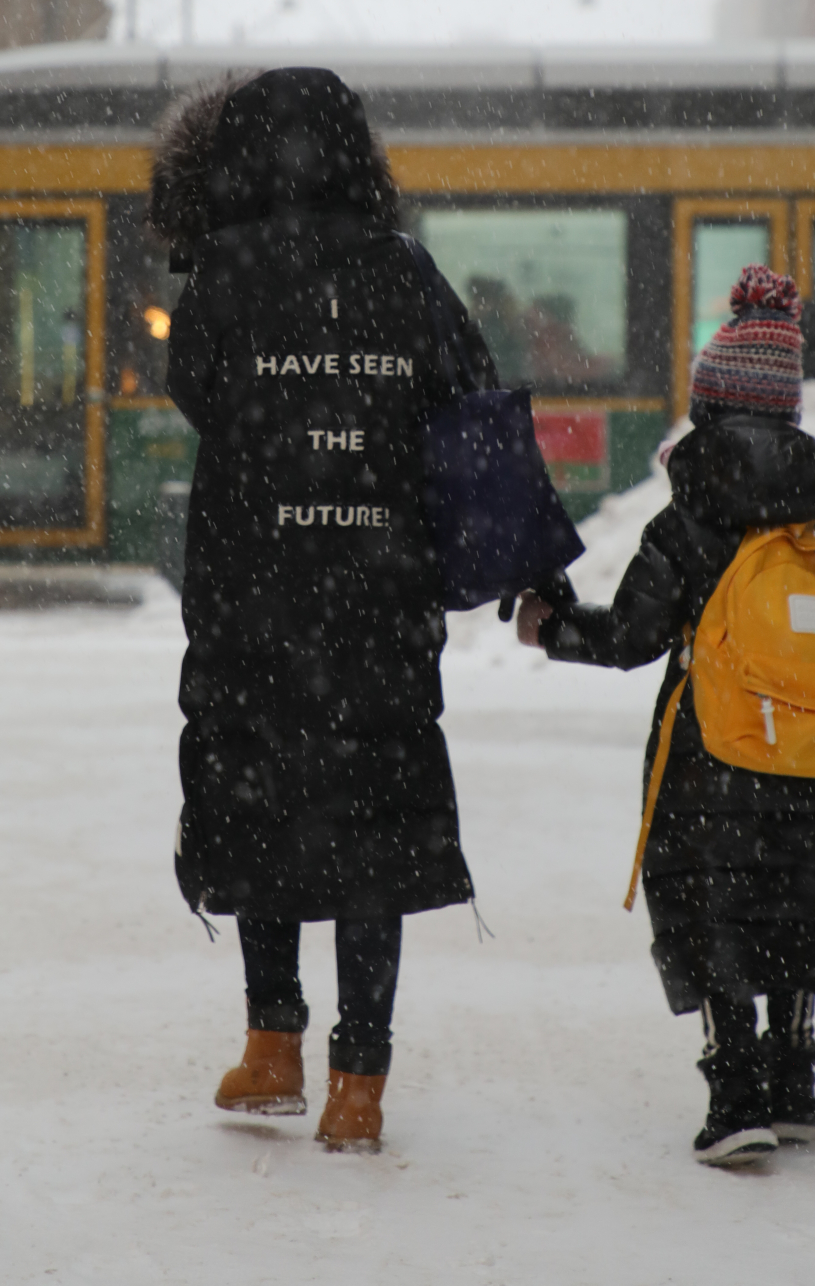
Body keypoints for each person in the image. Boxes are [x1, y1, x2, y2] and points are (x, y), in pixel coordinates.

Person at [152, 66, 529, 1151]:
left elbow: (198, 390)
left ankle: (271, 1041)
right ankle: (357, 1082)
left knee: (257, 797)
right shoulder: (405, 271)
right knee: (374, 829)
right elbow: (473, 398)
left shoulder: (223, 271)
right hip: (378, 596)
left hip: (252, 592)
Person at [518, 265, 815, 1167]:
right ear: (789, 416)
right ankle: (791, 1077)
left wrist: (550, 629)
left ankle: (733, 1085)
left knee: (713, 908)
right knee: (798, 901)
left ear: (707, 409)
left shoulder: (689, 521)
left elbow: (629, 636)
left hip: (712, 758)